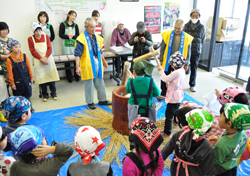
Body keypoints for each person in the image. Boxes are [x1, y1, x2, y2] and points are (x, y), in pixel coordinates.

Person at [161, 109, 226, 176]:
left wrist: (155, 164)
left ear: (190, 124)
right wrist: (224, 166)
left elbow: (165, 152)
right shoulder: (208, 148)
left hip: (176, 171)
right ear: (208, 130)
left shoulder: (179, 135)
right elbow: (207, 171)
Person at [75, 17, 111, 110]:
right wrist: (77, 67)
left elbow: (100, 50)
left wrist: (103, 60)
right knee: (89, 83)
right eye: (91, 27)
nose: (93, 29)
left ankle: (102, 99)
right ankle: (90, 102)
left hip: (97, 61)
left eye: (95, 27)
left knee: (100, 81)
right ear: (85, 27)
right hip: (87, 63)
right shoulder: (81, 38)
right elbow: (77, 54)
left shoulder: (97, 37)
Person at [8, 125, 74, 176]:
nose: (45, 138)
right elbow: (69, 150)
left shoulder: (16, 166)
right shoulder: (50, 165)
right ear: (40, 146)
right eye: (43, 138)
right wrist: (51, 149)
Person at [209, 103, 250, 176]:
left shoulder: (221, 145)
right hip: (232, 165)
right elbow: (234, 145)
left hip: (221, 171)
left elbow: (216, 162)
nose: (218, 118)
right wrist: (219, 139)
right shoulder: (243, 132)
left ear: (229, 124)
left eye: (221, 116)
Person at [159, 19, 193, 97]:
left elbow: (189, 52)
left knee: (177, 77)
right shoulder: (167, 35)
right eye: (175, 28)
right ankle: (163, 92)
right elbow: (162, 48)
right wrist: (161, 59)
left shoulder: (187, 37)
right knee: (165, 75)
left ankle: (174, 92)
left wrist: (186, 63)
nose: (177, 30)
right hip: (167, 60)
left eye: (179, 28)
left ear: (183, 27)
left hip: (179, 62)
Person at [28, 23, 59, 102]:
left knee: (51, 76)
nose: (38, 33)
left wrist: (45, 57)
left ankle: (53, 93)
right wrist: (41, 58)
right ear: (33, 32)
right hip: (38, 60)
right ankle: (45, 94)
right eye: (36, 31)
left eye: (39, 30)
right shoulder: (30, 39)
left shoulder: (46, 36)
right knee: (42, 78)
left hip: (48, 58)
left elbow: (49, 48)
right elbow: (32, 51)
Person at [158, 51, 186, 137]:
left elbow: (165, 78)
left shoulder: (175, 72)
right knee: (176, 110)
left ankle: (167, 132)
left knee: (168, 115)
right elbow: (175, 81)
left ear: (174, 65)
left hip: (174, 97)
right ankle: (176, 120)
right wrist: (170, 84)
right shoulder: (182, 70)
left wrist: (161, 71)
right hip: (179, 94)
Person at [126, 60, 160, 127]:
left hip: (134, 110)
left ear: (134, 72)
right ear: (145, 72)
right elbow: (157, 94)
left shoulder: (131, 82)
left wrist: (130, 79)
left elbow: (127, 90)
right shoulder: (150, 80)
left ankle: (132, 128)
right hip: (147, 108)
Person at [184, 9, 205, 92]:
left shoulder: (202, 27)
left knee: (194, 68)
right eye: (193, 15)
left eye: (197, 16)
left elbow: (202, 39)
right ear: (190, 16)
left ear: (199, 17)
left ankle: (192, 84)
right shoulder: (186, 25)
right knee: (183, 68)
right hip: (186, 50)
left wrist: (198, 47)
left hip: (196, 51)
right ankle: (180, 84)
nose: (195, 17)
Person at [6, 40, 33, 106]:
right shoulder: (9, 59)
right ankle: (20, 109)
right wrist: (12, 83)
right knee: (19, 96)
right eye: (16, 47)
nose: (18, 49)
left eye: (19, 47)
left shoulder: (24, 56)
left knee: (28, 94)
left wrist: (31, 77)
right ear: (11, 48)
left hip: (26, 79)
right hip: (17, 81)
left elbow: (29, 67)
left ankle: (29, 107)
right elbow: (10, 73)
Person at [59, 10, 80, 83]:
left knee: (75, 61)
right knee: (67, 62)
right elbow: (60, 34)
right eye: (73, 15)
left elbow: (78, 36)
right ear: (68, 15)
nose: (74, 17)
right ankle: (69, 78)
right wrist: (68, 36)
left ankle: (77, 76)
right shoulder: (63, 24)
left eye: (75, 16)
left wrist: (74, 37)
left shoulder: (75, 25)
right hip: (66, 46)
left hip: (74, 46)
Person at [0, 22, 12, 102]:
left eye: (6, 29)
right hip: (2, 67)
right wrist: (7, 56)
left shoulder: (11, 40)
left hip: (11, 66)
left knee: (13, 83)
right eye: (2, 30)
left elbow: (17, 50)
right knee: (5, 87)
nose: (5, 31)